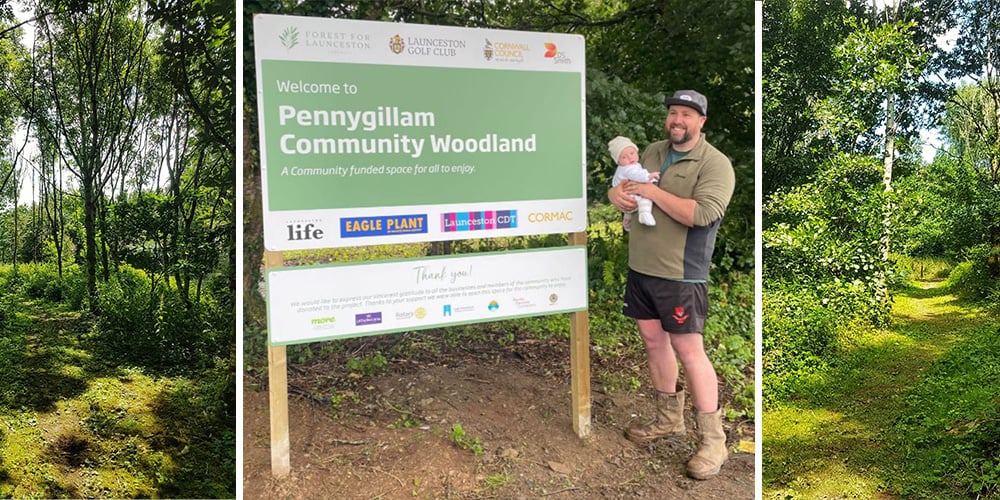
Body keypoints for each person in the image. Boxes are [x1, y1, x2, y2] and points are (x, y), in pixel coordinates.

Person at [607, 89, 735, 480]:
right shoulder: (651, 151)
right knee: (652, 341)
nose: (677, 120)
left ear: (701, 122)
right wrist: (616, 194)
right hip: (641, 268)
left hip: (682, 274)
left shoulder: (715, 164)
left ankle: (714, 442)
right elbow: (625, 186)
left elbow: (704, 213)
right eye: (673, 113)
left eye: (686, 115)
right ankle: (668, 419)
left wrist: (652, 193)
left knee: (688, 349)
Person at [608, 135, 660, 231]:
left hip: (626, 195)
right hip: (630, 194)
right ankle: (644, 213)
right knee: (646, 198)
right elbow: (636, 175)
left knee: (629, 208)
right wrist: (649, 177)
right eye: (624, 157)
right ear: (618, 161)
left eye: (632, 153)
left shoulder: (623, 168)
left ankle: (627, 221)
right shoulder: (628, 168)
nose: (630, 158)